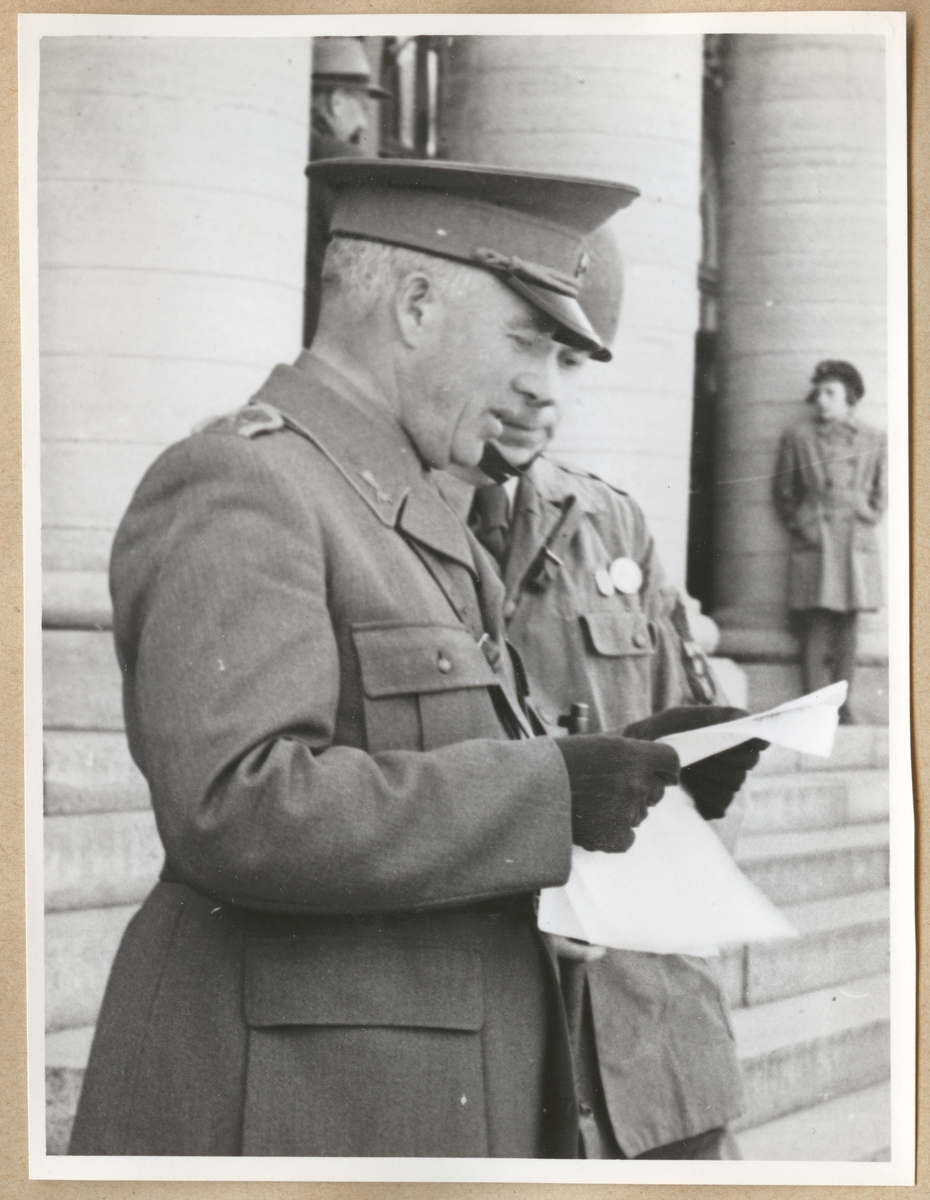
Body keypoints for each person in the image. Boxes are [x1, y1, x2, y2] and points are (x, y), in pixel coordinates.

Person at [68, 158, 691, 1158]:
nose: (544, 385)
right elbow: (234, 804)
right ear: (414, 304)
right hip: (299, 1109)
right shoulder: (245, 479)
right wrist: (550, 794)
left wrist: (610, 780)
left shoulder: (398, 506)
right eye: (525, 340)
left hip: (394, 1093)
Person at [444, 227, 766, 1160]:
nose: (546, 392)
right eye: (524, 346)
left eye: (574, 361)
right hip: (492, 1044)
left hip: (652, 1051)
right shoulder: (379, 525)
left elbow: (704, 775)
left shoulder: (611, 521)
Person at [773, 360, 887, 724]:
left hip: (855, 538)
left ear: (849, 397)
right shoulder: (799, 437)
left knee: (848, 624)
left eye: (830, 393)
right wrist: (802, 523)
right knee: (817, 621)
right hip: (817, 536)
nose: (821, 400)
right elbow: (783, 491)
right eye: (818, 393)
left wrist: (866, 512)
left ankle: (843, 705)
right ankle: (813, 706)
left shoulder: (873, 438)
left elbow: (882, 490)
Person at [303, 37, 391, 348]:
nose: (364, 122)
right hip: (324, 339)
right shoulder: (346, 162)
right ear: (337, 102)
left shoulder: (283, 149)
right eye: (362, 107)